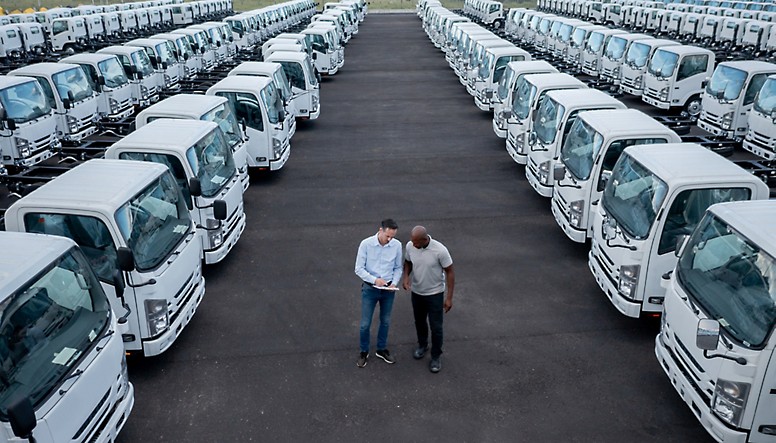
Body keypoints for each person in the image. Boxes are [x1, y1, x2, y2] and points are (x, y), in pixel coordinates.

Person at [402, 226, 454, 373]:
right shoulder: (410, 246)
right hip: (417, 293)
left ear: (425, 239)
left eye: (416, 242)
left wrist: (449, 298)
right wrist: (406, 277)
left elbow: (450, 272)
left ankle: (436, 356)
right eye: (412, 241)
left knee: (436, 327)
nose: (413, 245)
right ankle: (422, 345)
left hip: (435, 294)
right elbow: (408, 262)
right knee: (419, 322)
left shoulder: (440, 250)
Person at [354, 219, 403, 368]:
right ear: (380, 230)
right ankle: (364, 351)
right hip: (370, 289)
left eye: (392, 236)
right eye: (387, 236)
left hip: (388, 290)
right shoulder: (366, 244)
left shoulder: (397, 245)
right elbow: (359, 268)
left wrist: (394, 282)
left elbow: (398, 268)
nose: (389, 239)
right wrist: (375, 280)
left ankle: (381, 349)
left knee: (386, 321)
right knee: (365, 324)